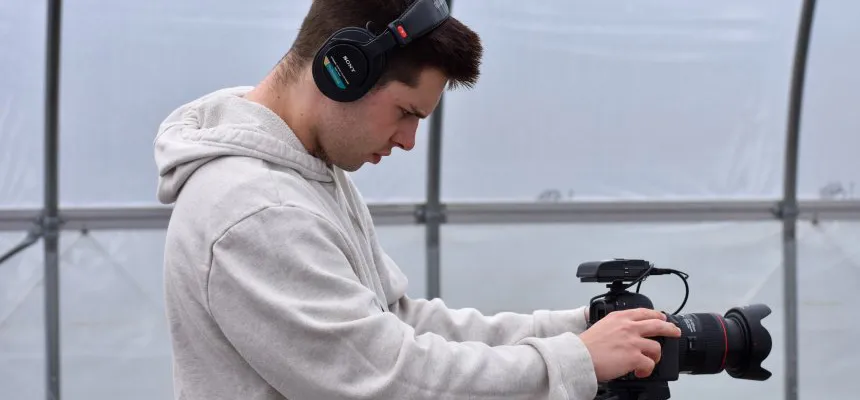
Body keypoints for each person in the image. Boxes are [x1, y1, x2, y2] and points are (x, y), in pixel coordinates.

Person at [153, 0, 682, 399]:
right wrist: (573, 362)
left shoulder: (306, 175)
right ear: (343, 71)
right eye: (407, 112)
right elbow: (389, 379)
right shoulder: (256, 210)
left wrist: (577, 328)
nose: (408, 141)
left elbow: (397, 323)